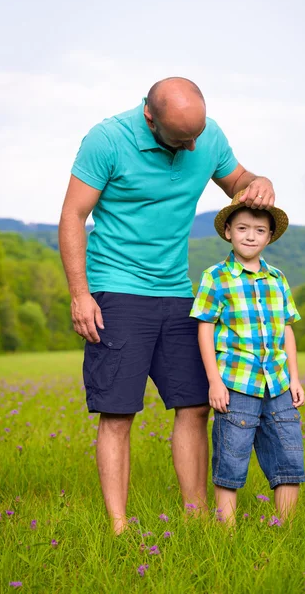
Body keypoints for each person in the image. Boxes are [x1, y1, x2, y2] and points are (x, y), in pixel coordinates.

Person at [59, 76, 276, 535]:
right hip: (115, 290)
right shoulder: (107, 140)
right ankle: (119, 525)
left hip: (178, 291)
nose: (194, 145)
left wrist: (260, 182)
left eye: (197, 134)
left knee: (195, 404)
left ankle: (196, 516)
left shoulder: (206, 135)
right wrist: (80, 293)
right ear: (150, 116)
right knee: (118, 412)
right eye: (183, 138)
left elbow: (238, 181)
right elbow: (73, 216)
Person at [190, 191, 305, 524]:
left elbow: (286, 330)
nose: (250, 235)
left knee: (288, 453)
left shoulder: (277, 278)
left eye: (259, 230)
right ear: (228, 231)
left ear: (270, 236)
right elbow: (204, 329)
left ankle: (285, 527)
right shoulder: (216, 277)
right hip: (236, 383)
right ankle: (225, 531)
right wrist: (214, 381)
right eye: (242, 228)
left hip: (279, 384)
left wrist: (294, 378)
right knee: (231, 454)